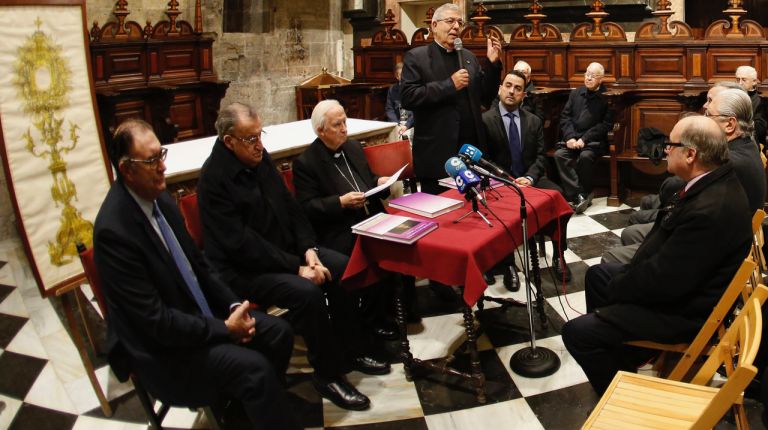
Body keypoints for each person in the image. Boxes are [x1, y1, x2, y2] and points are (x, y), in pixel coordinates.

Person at [93, 119, 300, 430]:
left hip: (199, 316)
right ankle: (251, 400)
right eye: (151, 161)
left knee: (279, 334)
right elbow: (155, 321)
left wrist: (233, 307)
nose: (162, 167)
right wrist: (224, 330)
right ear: (127, 170)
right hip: (164, 350)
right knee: (254, 369)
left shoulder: (160, 198)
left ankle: (244, 408)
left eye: (160, 154)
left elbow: (199, 266)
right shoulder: (114, 232)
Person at [197, 102, 390, 411]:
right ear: (229, 141)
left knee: (342, 268)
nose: (259, 144)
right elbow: (242, 245)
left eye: (260, 135)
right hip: (244, 270)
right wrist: (297, 268)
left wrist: (309, 249)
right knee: (306, 293)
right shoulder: (213, 180)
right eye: (250, 139)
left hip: (286, 253)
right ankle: (327, 375)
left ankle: (351, 349)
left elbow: (291, 208)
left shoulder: (258, 158)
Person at [563, 115, 753, 394]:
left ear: (691, 154)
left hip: (686, 314)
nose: (665, 149)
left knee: (577, 333)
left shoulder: (711, 209)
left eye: (670, 144)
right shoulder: (713, 181)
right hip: (681, 291)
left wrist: (621, 287)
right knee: (597, 274)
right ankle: (622, 357)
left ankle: (621, 397)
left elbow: (665, 282)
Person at [602, 87, 765, 264]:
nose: (704, 120)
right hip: (715, 232)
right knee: (633, 232)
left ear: (730, 124)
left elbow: (674, 190)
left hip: (708, 246)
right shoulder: (745, 146)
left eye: (709, 115)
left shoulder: (728, 161)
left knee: (611, 258)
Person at [291, 99, 409, 335]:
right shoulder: (306, 163)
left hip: (371, 216)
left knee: (404, 240)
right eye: (337, 125)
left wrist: (380, 182)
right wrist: (339, 202)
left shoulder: (352, 147)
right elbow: (306, 207)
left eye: (345, 122)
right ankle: (369, 319)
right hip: (340, 228)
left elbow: (367, 178)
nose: (345, 128)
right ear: (321, 130)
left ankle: (393, 312)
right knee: (370, 251)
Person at [400, 2, 502, 195]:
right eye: (450, 21)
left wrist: (492, 64)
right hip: (437, 153)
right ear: (434, 25)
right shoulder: (417, 57)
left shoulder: (469, 57)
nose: (456, 26)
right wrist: (449, 85)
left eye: (460, 23)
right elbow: (408, 97)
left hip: (470, 150)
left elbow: (485, 98)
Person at [482, 70, 572, 285]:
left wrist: (530, 178)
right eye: (508, 85)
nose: (512, 91)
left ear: (524, 95)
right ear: (500, 88)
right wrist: (507, 179)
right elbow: (485, 160)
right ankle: (508, 265)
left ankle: (559, 254)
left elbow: (540, 157)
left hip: (529, 179)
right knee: (499, 208)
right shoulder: (485, 120)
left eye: (518, 88)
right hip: (502, 182)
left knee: (559, 196)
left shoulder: (533, 121)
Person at [554, 62, 614, 213]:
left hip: (593, 142)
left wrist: (584, 139)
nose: (588, 78)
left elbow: (605, 125)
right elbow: (565, 117)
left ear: (601, 79)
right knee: (559, 155)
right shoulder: (576, 93)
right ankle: (578, 195)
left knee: (585, 157)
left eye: (593, 76)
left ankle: (583, 193)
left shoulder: (607, 97)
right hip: (573, 140)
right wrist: (570, 137)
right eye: (587, 74)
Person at [736, 65, 767, 147]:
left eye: (743, 80)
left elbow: (760, 131)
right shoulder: (732, 97)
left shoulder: (762, 103)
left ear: (754, 81)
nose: (739, 83)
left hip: (753, 145)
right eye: (737, 79)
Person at [385, 62, 414, 139]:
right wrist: (396, 125)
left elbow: (417, 111)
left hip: (411, 125)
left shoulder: (414, 89)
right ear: (397, 77)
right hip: (396, 124)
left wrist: (406, 126)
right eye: (401, 74)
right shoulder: (392, 89)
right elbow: (389, 110)